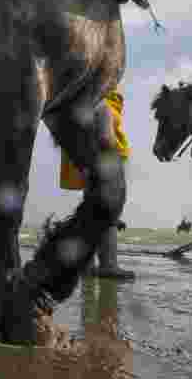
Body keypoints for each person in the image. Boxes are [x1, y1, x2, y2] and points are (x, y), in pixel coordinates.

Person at [58, 89, 135, 280]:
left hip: (84, 138)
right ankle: (108, 265)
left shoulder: (83, 92)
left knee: (93, 203)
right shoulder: (102, 98)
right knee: (108, 206)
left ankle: (88, 264)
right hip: (100, 147)